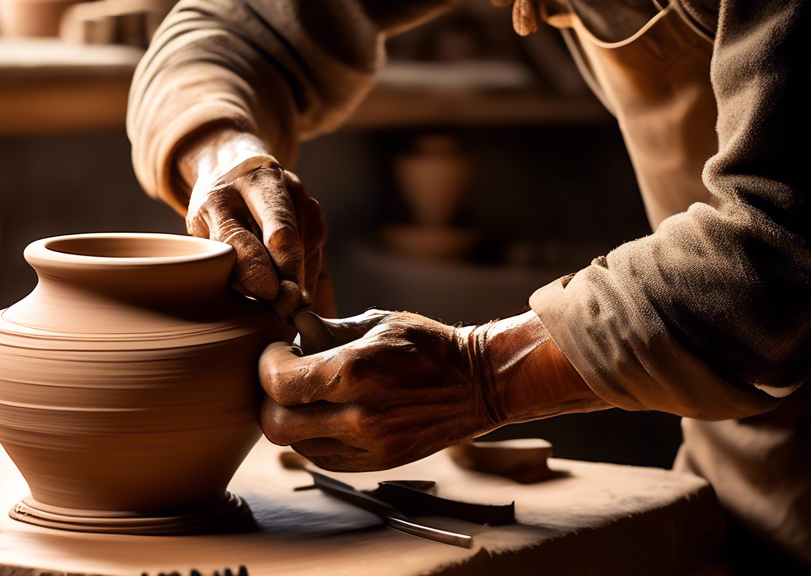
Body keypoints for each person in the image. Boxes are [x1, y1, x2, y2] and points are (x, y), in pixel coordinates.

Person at [127, 0, 809, 569]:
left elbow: (775, 257)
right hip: (742, 453)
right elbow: (231, 27)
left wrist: (479, 374)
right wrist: (227, 156)